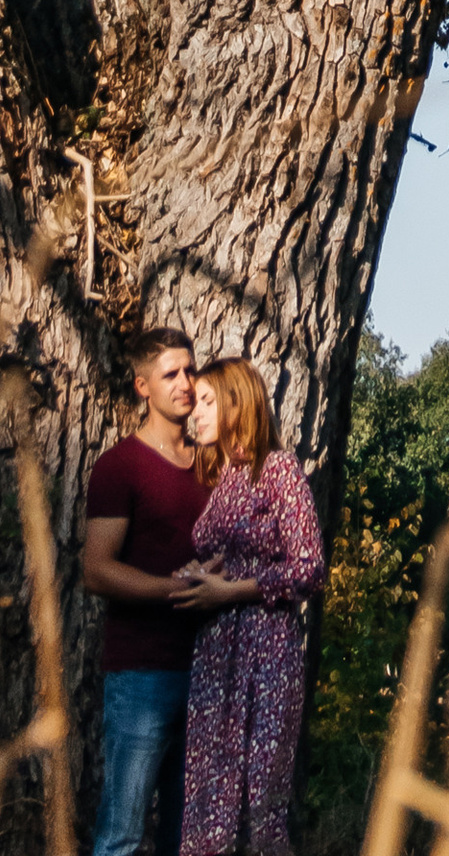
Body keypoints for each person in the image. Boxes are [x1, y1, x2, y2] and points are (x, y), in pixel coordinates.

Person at [172, 360, 325, 856]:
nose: (198, 411)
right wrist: (199, 576)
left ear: (240, 402)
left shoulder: (277, 469)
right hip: (217, 652)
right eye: (197, 401)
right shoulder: (225, 479)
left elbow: (310, 568)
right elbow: (221, 554)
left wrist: (232, 590)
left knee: (261, 806)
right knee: (207, 800)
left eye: (209, 400)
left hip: (268, 650)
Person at [84, 325, 207, 856]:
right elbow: (97, 570)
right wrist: (174, 590)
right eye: (170, 374)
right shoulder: (121, 466)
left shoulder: (214, 463)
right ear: (142, 387)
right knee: (123, 836)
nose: (184, 382)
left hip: (209, 673)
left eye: (189, 370)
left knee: (189, 839)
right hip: (142, 676)